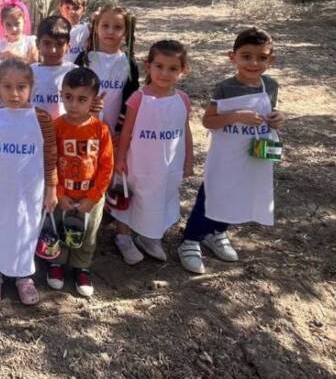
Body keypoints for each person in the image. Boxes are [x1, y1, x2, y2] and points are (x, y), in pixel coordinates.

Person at [178, 27, 285, 274]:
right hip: (226, 155)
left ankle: (217, 232)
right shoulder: (225, 88)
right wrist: (236, 116)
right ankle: (191, 239)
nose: (254, 62)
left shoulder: (271, 85)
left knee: (240, 193)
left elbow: (272, 113)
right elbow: (208, 121)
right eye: (246, 56)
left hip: (256, 153)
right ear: (233, 57)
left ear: (272, 59)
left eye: (262, 57)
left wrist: (278, 118)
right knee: (213, 193)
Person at [0, 59, 58, 305]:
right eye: (7, 86)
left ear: (31, 87)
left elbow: (50, 154)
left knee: (26, 227)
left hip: (29, 190)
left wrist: (52, 188)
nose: (14, 93)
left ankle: (24, 275)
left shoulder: (41, 118)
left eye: (21, 87)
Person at [112, 40, 194, 265]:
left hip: (168, 164)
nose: (164, 73)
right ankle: (124, 237)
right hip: (138, 162)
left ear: (182, 70)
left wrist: (189, 158)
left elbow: (184, 129)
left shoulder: (182, 99)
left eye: (172, 68)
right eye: (159, 66)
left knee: (160, 198)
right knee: (131, 199)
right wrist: (120, 158)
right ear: (148, 66)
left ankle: (150, 237)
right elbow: (127, 130)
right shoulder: (139, 98)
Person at [47, 67, 113, 297]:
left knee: (87, 235)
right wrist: (59, 192)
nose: (74, 105)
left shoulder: (100, 130)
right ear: (61, 94)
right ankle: (56, 263)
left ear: (94, 100)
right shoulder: (56, 127)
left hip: (90, 197)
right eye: (68, 97)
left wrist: (93, 197)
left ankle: (81, 268)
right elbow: (51, 161)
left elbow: (106, 166)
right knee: (59, 230)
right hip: (61, 195)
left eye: (82, 99)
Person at [76, 4, 140, 141]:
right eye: (105, 26)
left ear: (126, 32)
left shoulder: (128, 64)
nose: (110, 31)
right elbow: (71, 91)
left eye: (117, 27)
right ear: (96, 28)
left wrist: (120, 130)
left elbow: (131, 100)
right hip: (82, 130)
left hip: (114, 135)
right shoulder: (85, 59)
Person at [30, 15, 76, 120]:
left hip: (65, 132)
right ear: (37, 44)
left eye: (59, 44)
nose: (53, 50)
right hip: (36, 130)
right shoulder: (29, 72)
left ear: (68, 46)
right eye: (47, 43)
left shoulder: (74, 72)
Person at [0, 0, 37, 64]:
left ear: (24, 22)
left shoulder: (29, 42)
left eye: (17, 24)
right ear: (2, 24)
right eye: (8, 25)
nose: (13, 29)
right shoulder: (2, 45)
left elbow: (34, 64)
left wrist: (15, 56)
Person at [57, 0, 90, 65]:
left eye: (76, 8)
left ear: (84, 10)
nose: (71, 12)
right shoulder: (54, 29)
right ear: (61, 9)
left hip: (79, 72)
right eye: (67, 8)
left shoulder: (87, 29)